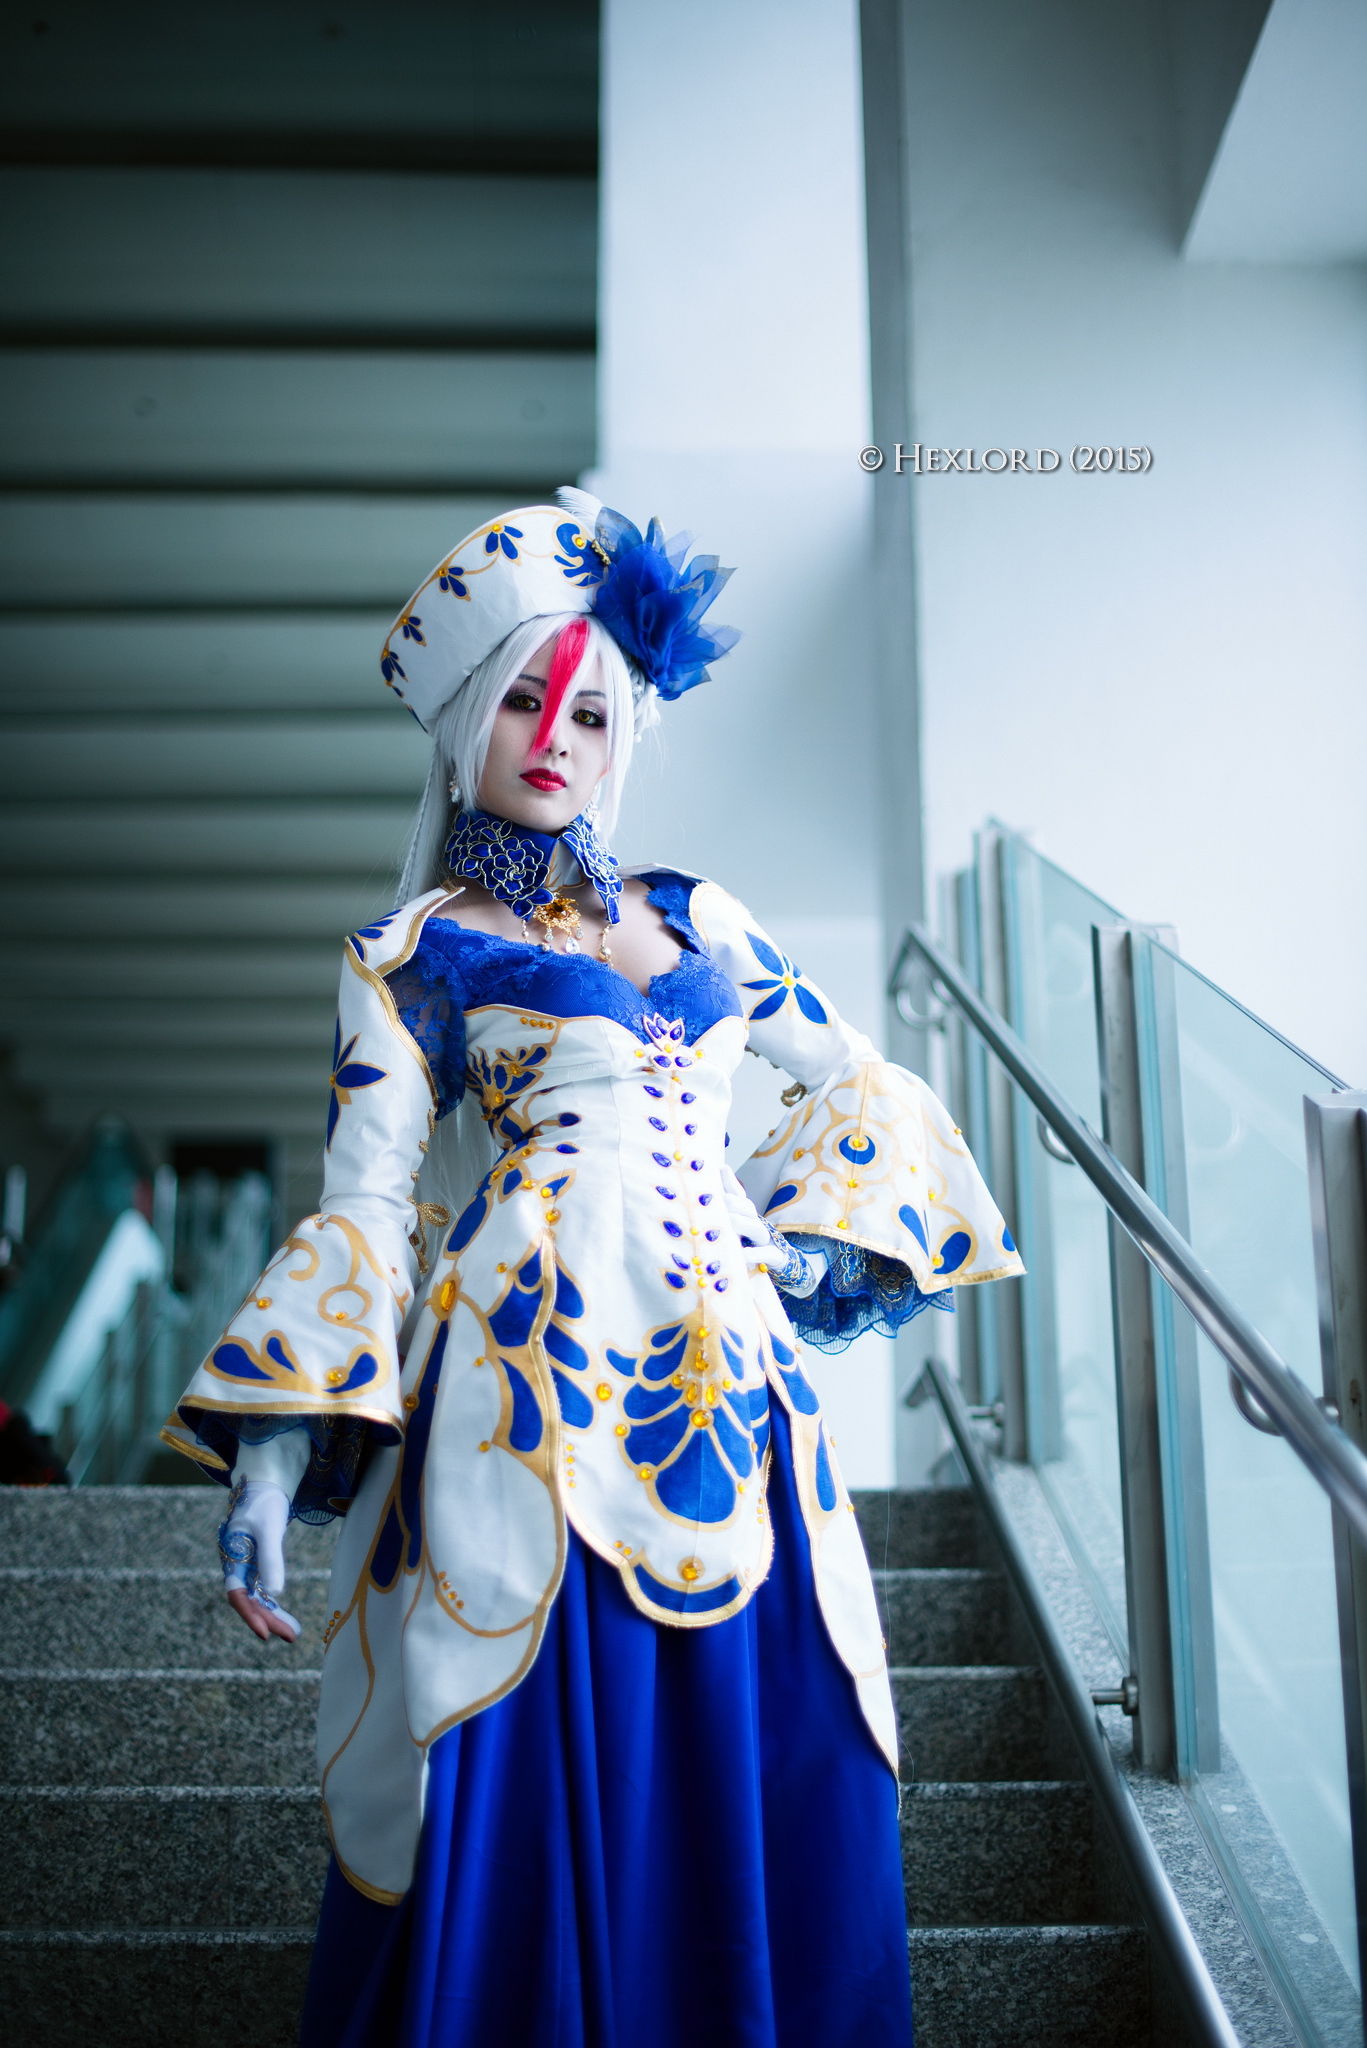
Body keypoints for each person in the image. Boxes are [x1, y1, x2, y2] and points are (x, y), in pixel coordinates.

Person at [163, 490, 1024, 2048]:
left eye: (591, 709)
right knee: (533, 1761)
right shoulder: (410, 955)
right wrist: (272, 1459)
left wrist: (782, 1235)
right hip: (522, 1400)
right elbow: (367, 1207)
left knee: (772, 1742)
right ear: (464, 722)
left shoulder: (701, 918)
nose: (556, 736)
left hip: (730, 1394)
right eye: (521, 699)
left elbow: (858, 1079)